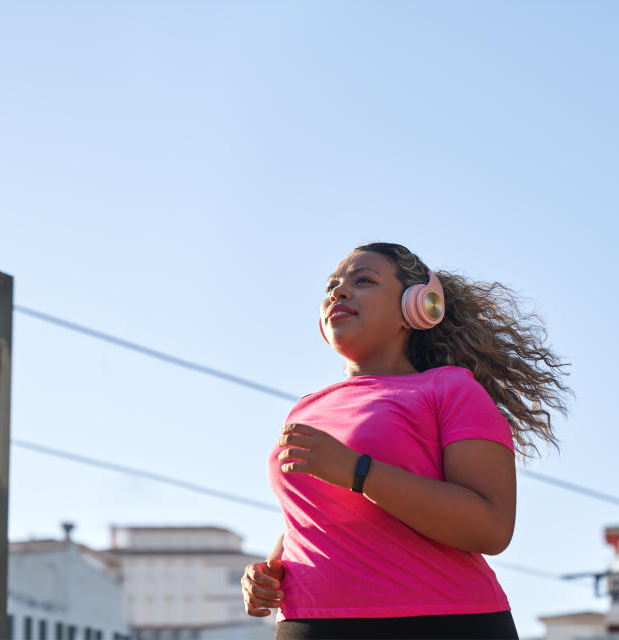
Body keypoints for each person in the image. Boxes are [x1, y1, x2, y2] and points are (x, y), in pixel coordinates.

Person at [241, 242, 570, 639]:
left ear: (416, 307)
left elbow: (492, 527)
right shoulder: (304, 409)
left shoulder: (450, 390)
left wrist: (358, 471)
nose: (338, 292)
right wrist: (271, 569)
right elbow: (313, 514)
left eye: (363, 281)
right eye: (332, 286)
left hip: (440, 623)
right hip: (310, 622)